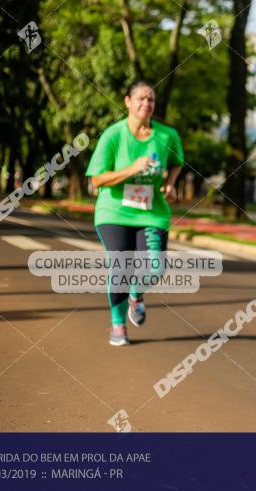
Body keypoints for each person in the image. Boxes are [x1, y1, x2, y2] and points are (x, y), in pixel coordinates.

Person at [85, 81, 184, 346]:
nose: (146, 104)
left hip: (151, 213)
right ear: (127, 101)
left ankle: (136, 293)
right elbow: (96, 180)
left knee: (155, 268)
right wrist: (131, 169)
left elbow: (177, 163)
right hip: (114, 212)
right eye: (141, 98)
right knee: (121, 268)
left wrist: (171, 184)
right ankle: (118, 325)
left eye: (151, 100)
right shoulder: (113, 135)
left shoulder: (167, 136)